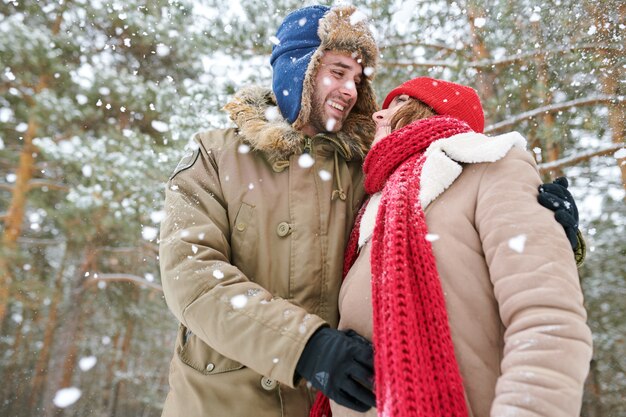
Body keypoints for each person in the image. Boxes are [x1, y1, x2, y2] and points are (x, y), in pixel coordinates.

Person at [159, 5, 584, 417]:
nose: (351, 89)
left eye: (358, 78)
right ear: (297, 70)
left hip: (339, 403)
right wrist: (303, 345)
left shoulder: (371, 171)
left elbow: (454, 237)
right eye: (337, 72)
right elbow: (192, 279)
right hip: (224, 400)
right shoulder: (215, 156)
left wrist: (543, 225)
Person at [311, 77, 593, 417]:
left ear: (431, 111)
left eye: (398, 103)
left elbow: (547, 319)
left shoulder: (491, 167)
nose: (378, 116)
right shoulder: (371, 209)